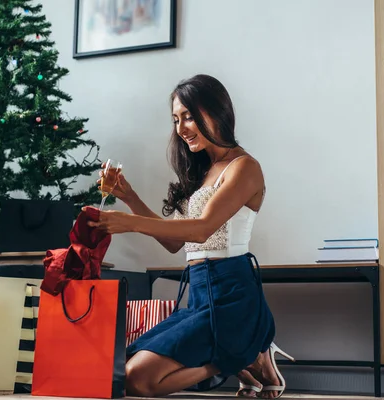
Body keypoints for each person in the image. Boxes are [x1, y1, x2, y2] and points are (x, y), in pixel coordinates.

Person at [84, 74, 293, 398]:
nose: (181, 128)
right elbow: (175, 243)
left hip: (233, 297)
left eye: (189, 116)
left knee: (139, 380)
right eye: (176, 119)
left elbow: (201, 229)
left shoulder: (244, 167)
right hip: (199, 296)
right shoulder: (203, 171)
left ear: (217, 111)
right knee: (121, 369)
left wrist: (130, 222)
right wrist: (129, 196)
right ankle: (245, 356)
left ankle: (242, 355)